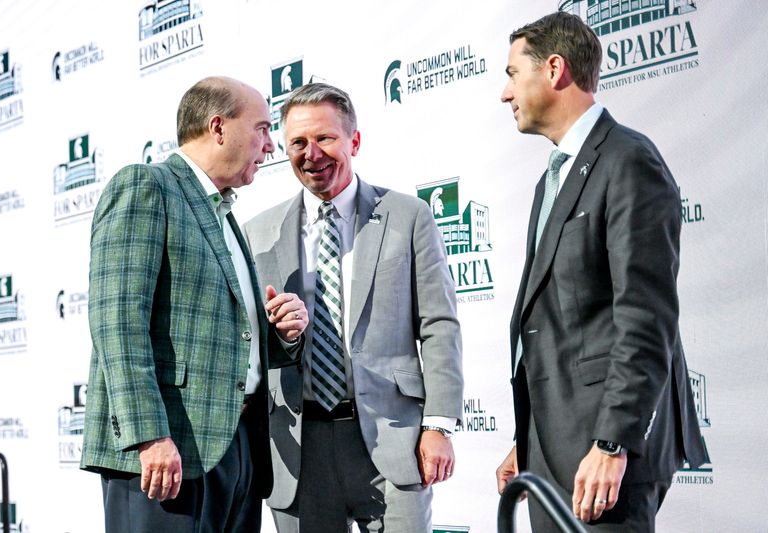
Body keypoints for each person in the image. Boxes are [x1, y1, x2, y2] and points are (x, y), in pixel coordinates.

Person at [494, 12, 706, 532]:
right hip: (556, 450)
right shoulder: (554, 179)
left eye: (512, 73)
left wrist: (614, 442)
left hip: (606, 455)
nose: (505, 93)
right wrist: (529, 440)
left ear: (554, 70)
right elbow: (565, 325)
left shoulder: (629, 161)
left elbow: (645, 319)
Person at [80, 76, 309, 533]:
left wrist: (279, 335)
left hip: (235, 448)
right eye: (263, 129)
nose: (270, 146)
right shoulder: (146, 187)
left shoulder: (224, 212)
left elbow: (220, 331)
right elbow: (117, 323)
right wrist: (150, 436)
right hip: (166, 455)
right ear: (218, 127)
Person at [243, 82, 463, 533]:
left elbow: (439, 325)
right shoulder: (257, 233)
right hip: (298, 449)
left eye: (325, 138)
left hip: (394, 439)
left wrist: (439, 425)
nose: (311, 153)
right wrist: (279, 334)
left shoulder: (408, 216)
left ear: (354, 141)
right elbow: (248, 344)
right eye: (298, 143)